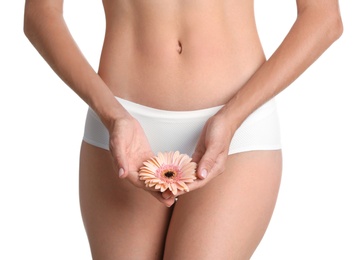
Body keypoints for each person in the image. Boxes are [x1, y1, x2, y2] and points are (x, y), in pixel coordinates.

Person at [23, 0, 343, 259]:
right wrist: (112, 115)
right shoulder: (116, 120)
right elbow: (40, 13)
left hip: (238, 124)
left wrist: (233, 117)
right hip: (120, 123)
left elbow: (323, 17)